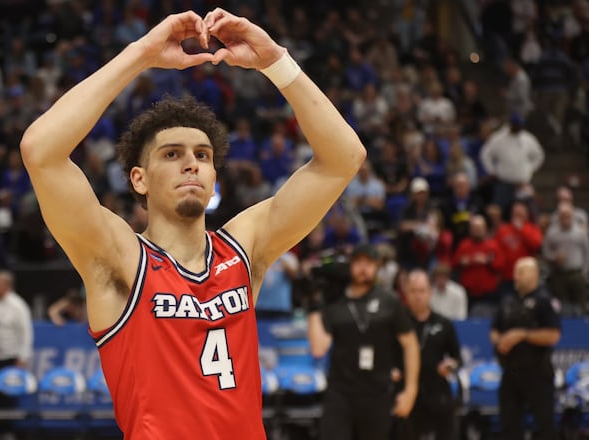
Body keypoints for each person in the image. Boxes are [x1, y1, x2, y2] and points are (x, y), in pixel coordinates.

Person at [20, 8, 365, 439]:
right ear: (138, 179)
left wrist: (275, 61)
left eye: (203, 155)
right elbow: (40, 151)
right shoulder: (120, 258)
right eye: (172, 154)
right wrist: (141, 54)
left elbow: (343, 159)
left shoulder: (244, 248)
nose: (191, 164)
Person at [307, 244, 420, 440]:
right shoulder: (335, 301)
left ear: (376, 266)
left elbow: (410, 344)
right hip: (340, 394)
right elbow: (319, 348)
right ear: (350, 266)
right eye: (358, 262)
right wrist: (313, 306)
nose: (363, 268)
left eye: (368, 263)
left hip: (377, 394)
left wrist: (410, 390)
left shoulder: (389, 301)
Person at [490, 257, 561, 440]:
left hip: (537, 373)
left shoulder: (544, 300)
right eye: (515, 272)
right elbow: (494, 330)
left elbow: (553, 335)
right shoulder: (507, 300)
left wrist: (523, 335)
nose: (516, 276)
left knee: (545, 424)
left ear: (535, 274)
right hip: (510, 372)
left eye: (521, 272)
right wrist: (501, 341)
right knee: (509, 424)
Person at [404, 270, 461, 440]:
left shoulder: (443, 323)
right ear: (406, 294)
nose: (418, 296)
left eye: (422, 291)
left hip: (436, 388)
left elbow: (457, 357)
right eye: (413, 291)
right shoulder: (399, 322)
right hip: (407, 389)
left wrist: (450, 365)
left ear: (430, 293)